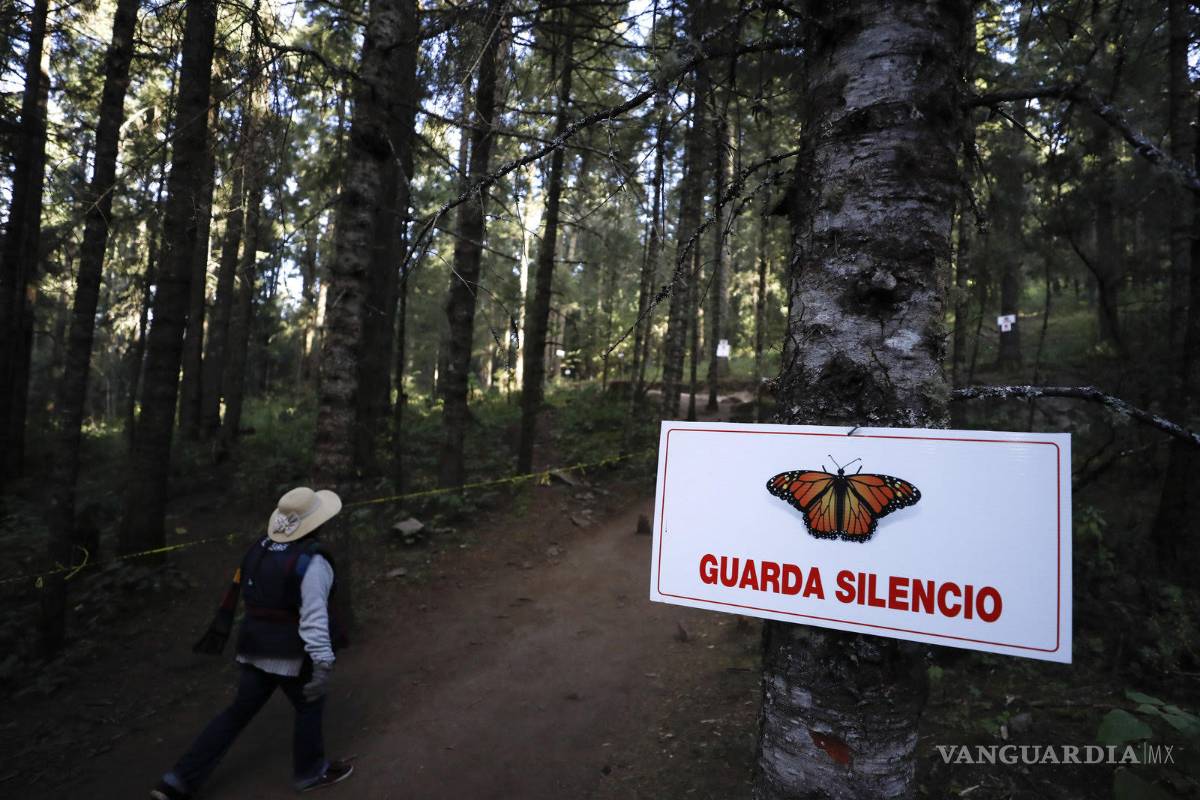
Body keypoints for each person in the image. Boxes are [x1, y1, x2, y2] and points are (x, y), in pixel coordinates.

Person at [151, 487, 354, 799]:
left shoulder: (259, 548)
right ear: (317, 523)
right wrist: (323, 664)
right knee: (310, 704)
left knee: (236, 714)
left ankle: (178, 780)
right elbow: (313, 619)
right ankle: (310, 773)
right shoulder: (312, 563)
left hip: (254, 648)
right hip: (290, 654)